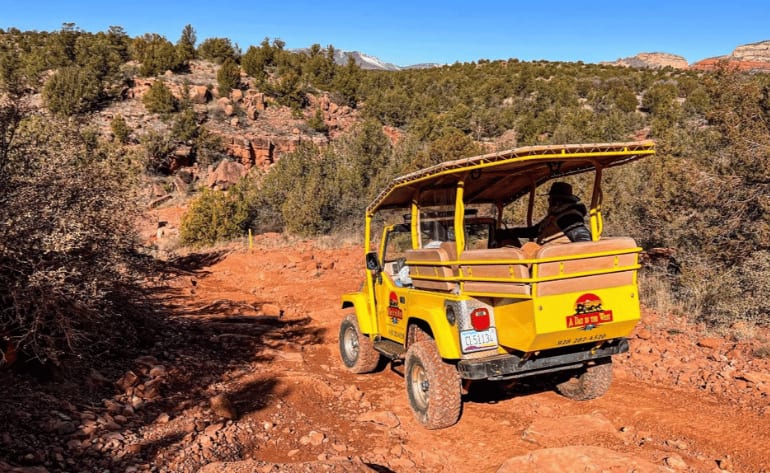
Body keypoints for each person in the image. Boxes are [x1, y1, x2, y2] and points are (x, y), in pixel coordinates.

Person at [499, 181, 592, 246]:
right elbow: (535, 231)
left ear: (558, 201)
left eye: (550, 199)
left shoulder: (569, 217)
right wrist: (511, 232)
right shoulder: (556, 215)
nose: (549, 202)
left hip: (556, 261)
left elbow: (583, 238)